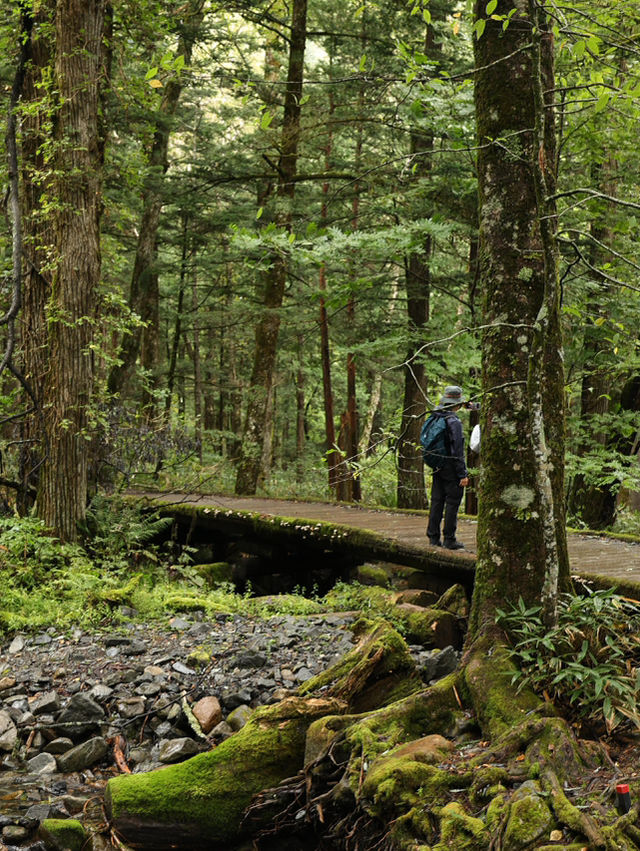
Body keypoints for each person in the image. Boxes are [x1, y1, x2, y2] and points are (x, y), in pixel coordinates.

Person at [426, 385, 469, 550]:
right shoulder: (454, 422)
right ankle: (449, 539)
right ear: (457, 403)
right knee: (452, 502)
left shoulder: (436, 416)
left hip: (437, 464)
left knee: (437, 501)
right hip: (451, 467)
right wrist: (462, 474)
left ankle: (433, 537)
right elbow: (457, 450)